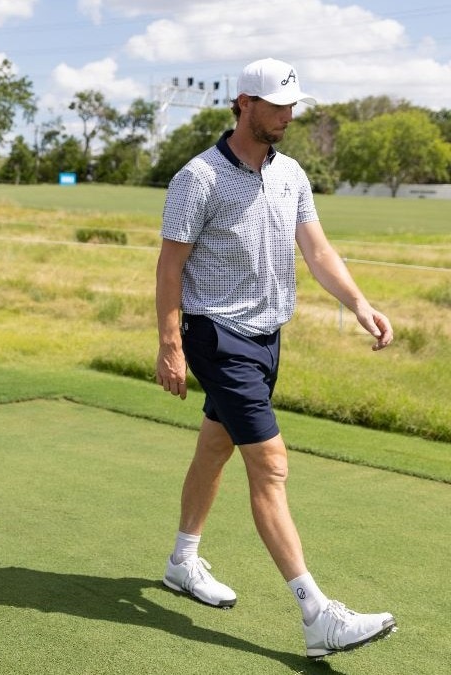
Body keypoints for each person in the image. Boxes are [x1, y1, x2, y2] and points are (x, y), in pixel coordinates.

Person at [155, 58, 397, 659]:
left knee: (216, 446)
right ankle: (317, 617)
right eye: (278, 105)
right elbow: (170, 267)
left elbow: (317, 251)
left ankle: (182, 561)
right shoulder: (198, 177)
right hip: (216, 335)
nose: (288, 115)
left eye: (293, 105)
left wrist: (360, 303)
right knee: (270, 465)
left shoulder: (291, 173)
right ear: (244, 103)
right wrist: (170, 345)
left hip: (267, 337)